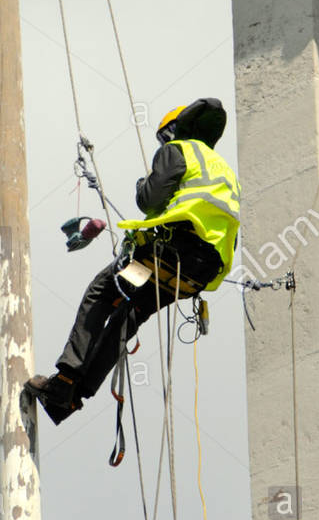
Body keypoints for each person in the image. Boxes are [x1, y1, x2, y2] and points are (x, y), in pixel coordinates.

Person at [25, 97, 241, 426]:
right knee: (129, 315)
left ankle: (66, 380)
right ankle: (70, 399)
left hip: (165, 258)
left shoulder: (177, 151)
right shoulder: (225, 172)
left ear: (171, 132)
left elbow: (149, 200)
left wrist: (142, 185)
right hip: (194, 275)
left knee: (102, 292)